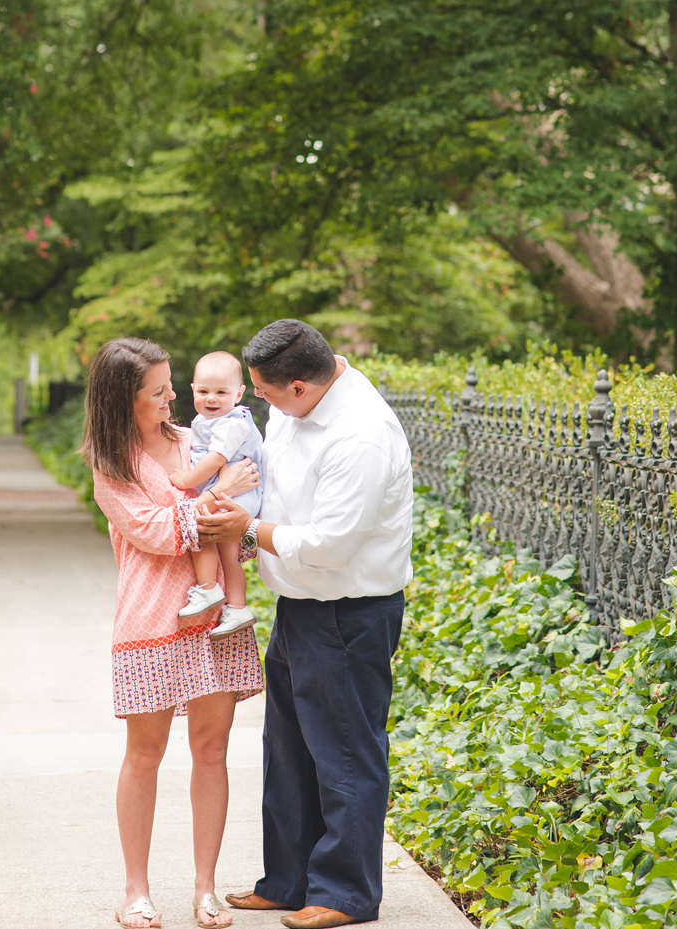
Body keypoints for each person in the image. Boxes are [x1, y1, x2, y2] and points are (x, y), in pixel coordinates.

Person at [198, 319, 414, 929]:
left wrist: (242, 530)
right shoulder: (296, 405)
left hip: (348, 612)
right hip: (298, 605)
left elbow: (329, 545)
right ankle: (288, 880)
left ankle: (346, 895)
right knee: (287, 749)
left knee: (345, 751)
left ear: (299, 385)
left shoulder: (361, 436)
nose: (257, 401)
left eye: (264, 392)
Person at [82, 336, 264, 929]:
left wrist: (228, 501)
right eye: (157, 391)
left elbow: (237, 506)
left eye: (169, 386)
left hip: (214, 619)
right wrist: (221, 494)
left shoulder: (194, 442)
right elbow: (158, 532)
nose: (170, 398)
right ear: (122, 399)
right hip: (153, 622)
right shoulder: (110, 467)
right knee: (145, 755)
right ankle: (137, 890)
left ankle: (205, 889)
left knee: (212, 751)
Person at [168, 350, 265, 637]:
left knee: (201, 527)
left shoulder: (232, 423)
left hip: (235, 494)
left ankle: (208, 588)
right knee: (229, 552)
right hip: (230, 494)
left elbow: (215, 460)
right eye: (204, 391)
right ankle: (237, 607)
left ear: (239, 393)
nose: (211, 398)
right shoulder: (211, 420)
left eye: (221, 392)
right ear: (193, 390)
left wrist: (186, 479)